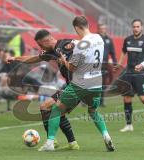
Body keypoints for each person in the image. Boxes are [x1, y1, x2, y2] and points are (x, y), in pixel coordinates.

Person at [39, 16, 115, 152]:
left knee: (56, 110)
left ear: (77, 27)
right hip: (97, 81)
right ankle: (106, 136)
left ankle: (50, 143)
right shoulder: (99, 38)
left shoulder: (81, 45)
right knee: (93, 111)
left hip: (80, 83)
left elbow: (72, 68)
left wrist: (63, 60)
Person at [6, 29, 80, 150]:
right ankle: (71, 143)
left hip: (78, 86)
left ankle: (52, 142)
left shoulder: (66, 45)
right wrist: (15, 58)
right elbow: (34, 58)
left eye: (40, 44)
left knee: (46, 106)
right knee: (56, 110)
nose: (40, 47)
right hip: (71, 86)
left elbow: (84, 49)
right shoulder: (51, 52)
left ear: (47, 40)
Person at [117, 19, 144, 132]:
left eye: (138, 26)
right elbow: (123, 51)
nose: (136, 28)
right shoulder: (128, 40)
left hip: (141, 74)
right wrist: (120, 64)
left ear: (142, 27)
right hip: (129, 73)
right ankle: (129, 125)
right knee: (126, 98)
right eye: (134, 27)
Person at [98, 24, 117, 106]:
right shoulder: (95, 38)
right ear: (99, 29)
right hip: (95, 64)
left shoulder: (109, 40)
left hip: (105, 64)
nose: (103, 30)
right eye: (101, 28)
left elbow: (112, 53)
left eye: (104, 28)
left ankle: (101, 102)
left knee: (103, 84)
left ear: (106, 29)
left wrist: (115, 63)